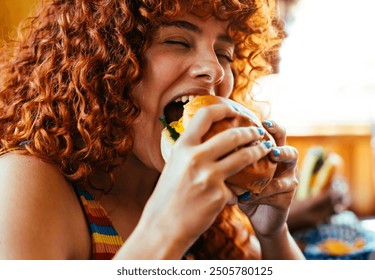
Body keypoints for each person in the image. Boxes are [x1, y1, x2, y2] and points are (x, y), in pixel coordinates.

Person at [0, 0, 304, 260]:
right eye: (178, 42)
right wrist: (168, 229)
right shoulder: (24, 181)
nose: (214, 68)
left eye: (224, 53)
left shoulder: (207, 198)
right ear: (107, 60)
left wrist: (273, 234)